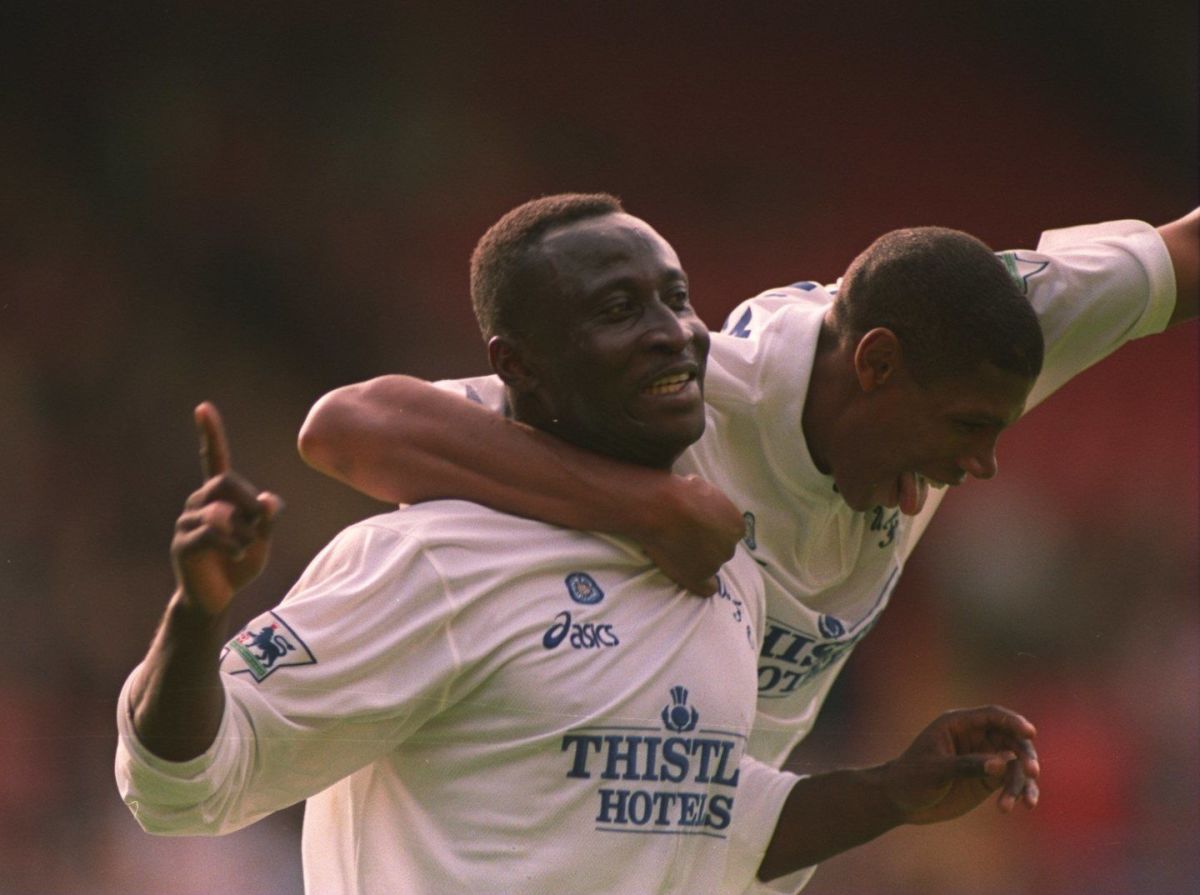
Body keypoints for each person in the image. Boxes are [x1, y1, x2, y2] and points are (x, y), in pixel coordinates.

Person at [116, 195, 1040, 895]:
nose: (671, 333)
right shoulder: (431, 561)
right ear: (516, 365)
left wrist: (895, 790)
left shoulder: (723, 573)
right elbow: (180, 788)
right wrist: (196, 616)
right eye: (618, 310)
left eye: (677, 299)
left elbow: (704, 823)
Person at [299, 197, 1197, 772]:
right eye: (968, 430)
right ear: (877, 365)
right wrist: (646, 505)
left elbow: (1182, 255)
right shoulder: (685, 404)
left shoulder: (977, 330)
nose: (983, 466)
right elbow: (348, 425)